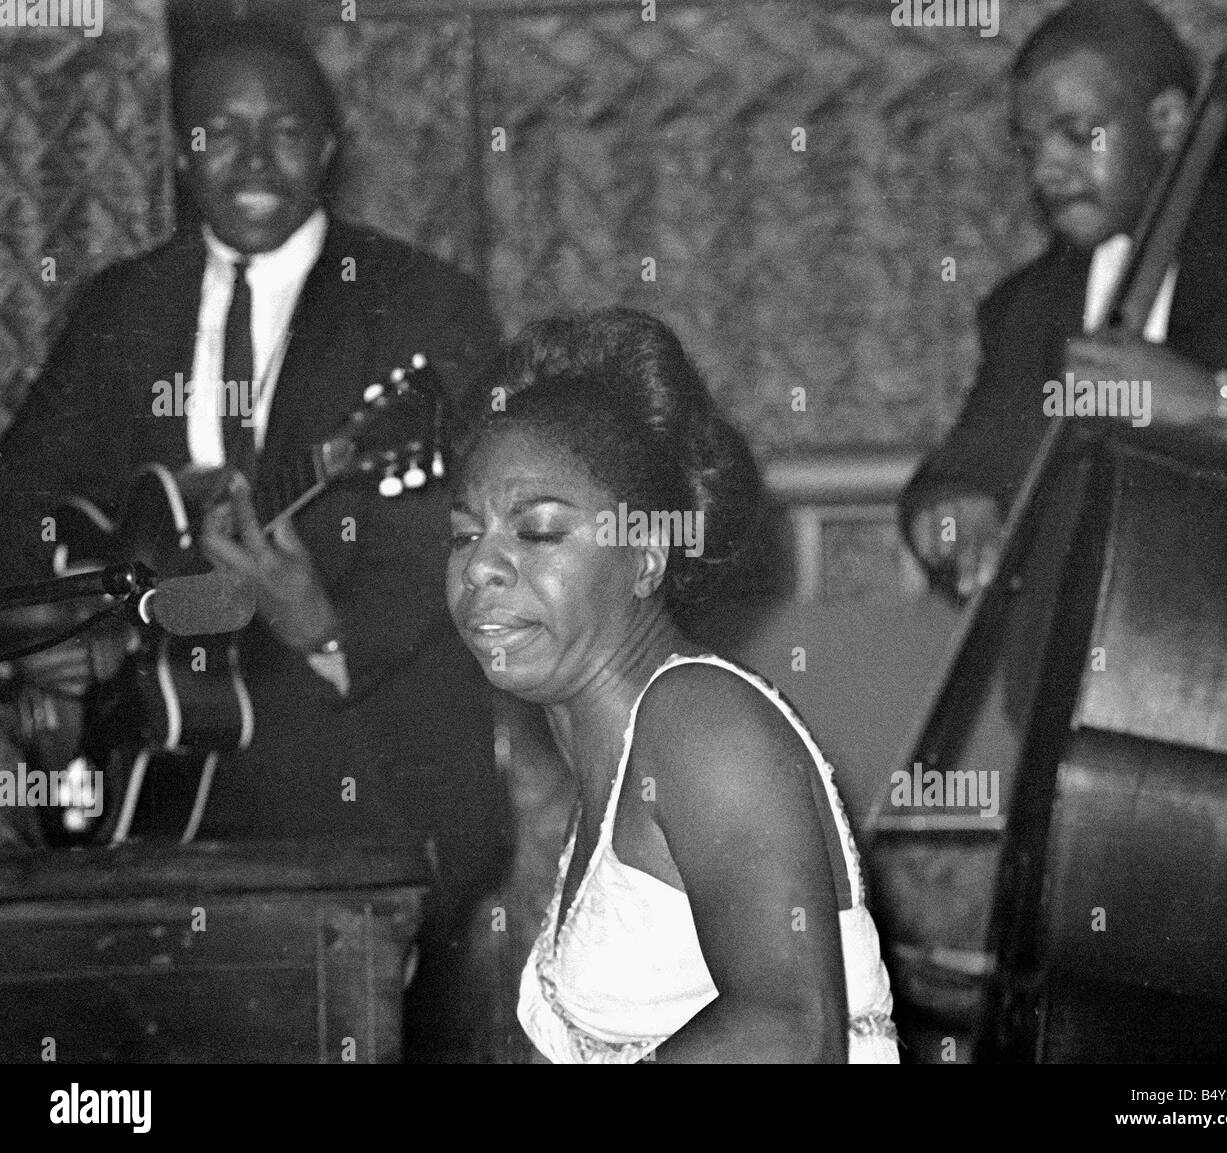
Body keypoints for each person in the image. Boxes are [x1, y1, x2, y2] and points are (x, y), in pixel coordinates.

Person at [0, 18, 510, 1060]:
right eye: (218, 132)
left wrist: (325, 623)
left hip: (368, 800)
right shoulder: (123, 307)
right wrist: (59, 630)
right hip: (148, 791)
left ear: (329, 147)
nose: (253, 158)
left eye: (284, 129)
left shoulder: (424, 307)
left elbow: (462, 522)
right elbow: (22, 497)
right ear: (181, 151)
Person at [444, 307, 898, 1063]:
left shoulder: (701, 720)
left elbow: (791, 1031)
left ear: (646, 552)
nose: (481, 567)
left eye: (539, 530)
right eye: (464, 534)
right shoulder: (607, 760)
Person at [897, 0, 1227, 721]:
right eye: (1028, 146)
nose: (1047, 168)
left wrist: (1221, 405)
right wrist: (951, 512)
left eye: (1079, 135)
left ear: (1170, 122)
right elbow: (963, 466)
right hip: (1078, 733)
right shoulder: (1028, 306)